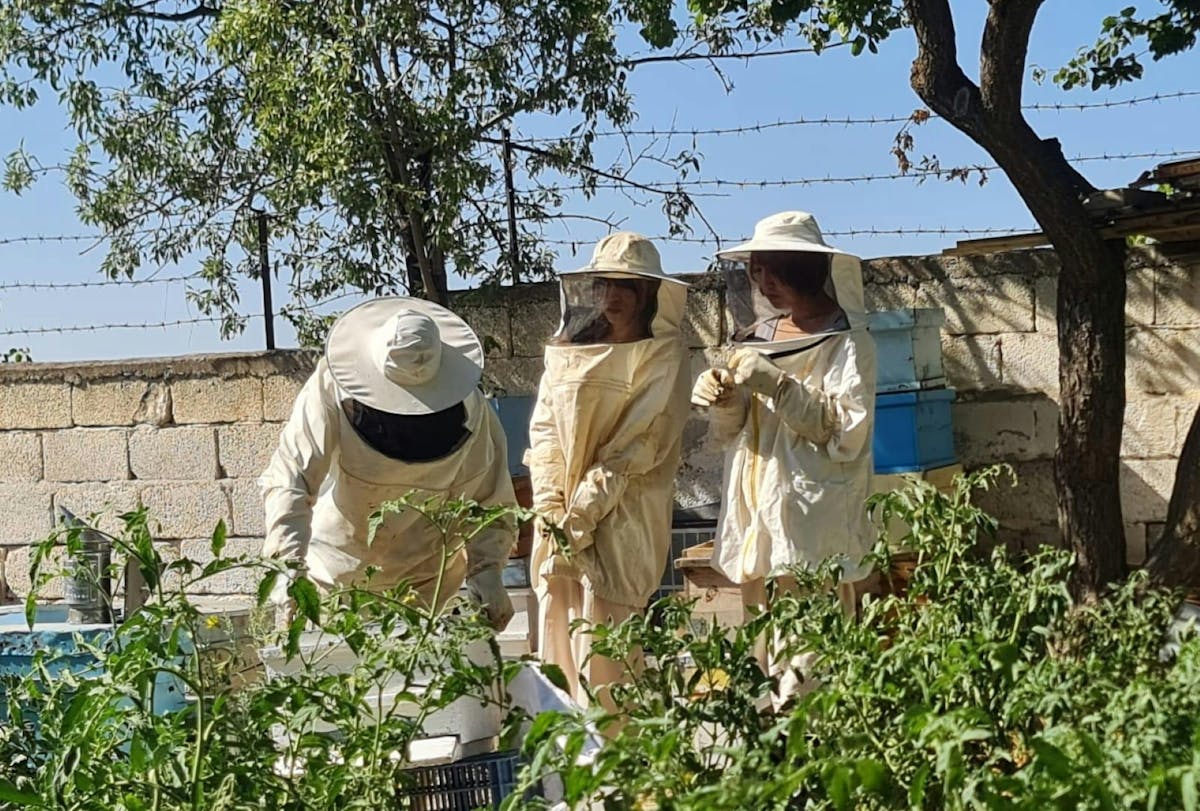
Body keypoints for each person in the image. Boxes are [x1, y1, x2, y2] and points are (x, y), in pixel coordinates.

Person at [691, 210, 877, 697]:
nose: (765, 283)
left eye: (775, 269)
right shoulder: (761, 338)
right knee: (758, 664)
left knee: (809, 666)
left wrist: (776, 385)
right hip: (757, 519)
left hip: (810, 527)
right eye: (756, 270)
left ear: (805, 269)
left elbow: (843, 433)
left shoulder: (847, 344)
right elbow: (734, 434)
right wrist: (723, 400)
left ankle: (816, 760)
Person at [259, 296, 516, 630]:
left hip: (429, 588)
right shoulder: (329, 388)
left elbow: (490, 501)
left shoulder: (472, 410)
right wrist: (287, 564)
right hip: (337, 580)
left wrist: (488, 571)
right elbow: (292, 477)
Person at [526, 232, 690, 708]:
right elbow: (545, 431)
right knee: (557, 665)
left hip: (622, 525)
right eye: (606, 285)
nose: (613, 296)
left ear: (648, 295)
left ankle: (619, 781)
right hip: (558, 529)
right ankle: (568, 781)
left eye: (627, 287)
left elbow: (639, 445)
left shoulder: (664, 355)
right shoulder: (565, 351)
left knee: (611, 668)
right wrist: (551, 505)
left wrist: (579, 519)